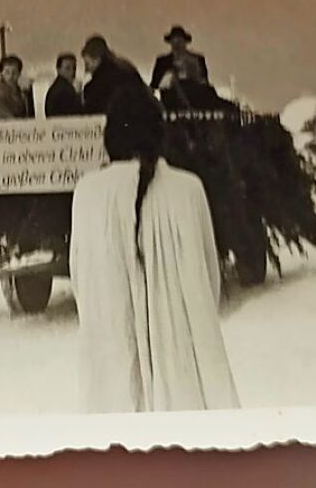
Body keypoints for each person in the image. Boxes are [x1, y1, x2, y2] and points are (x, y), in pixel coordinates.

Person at [69, 84, 240, 413]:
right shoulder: (188, 189)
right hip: (182, 371)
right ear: (159, 133)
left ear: (112, 137)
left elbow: (82, 282)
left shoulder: (87, 193)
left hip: (113, 365)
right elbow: (209, 281)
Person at [79, 35, 145, 114]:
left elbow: (92, 107)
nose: (87, 69)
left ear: (96, 59)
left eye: (87, 64)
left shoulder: (99, 82)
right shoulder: (124, 66)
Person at [150, 25, 209, 91]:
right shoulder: (162, 62)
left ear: (185, 42)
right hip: (169, 97)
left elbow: (205, 83)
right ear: (170, 42)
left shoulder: (198, 59)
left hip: (193, 95)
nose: (176, 44)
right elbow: (154, 86)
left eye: (179, 40)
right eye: (174, 41)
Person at [0, 54, 34, 120]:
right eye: (7, 72)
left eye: (14, 72)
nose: (11, 76)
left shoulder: (23, 95)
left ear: (19, 74)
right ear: (2, 74)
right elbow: (8, 120)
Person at [44, 52, 83, 117]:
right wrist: (78, 95)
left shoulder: (55, 87)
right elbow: (76, 113)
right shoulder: (66, 89)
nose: (72, 72)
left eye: (74, 68)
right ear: (58, 69)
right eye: (67, 68)